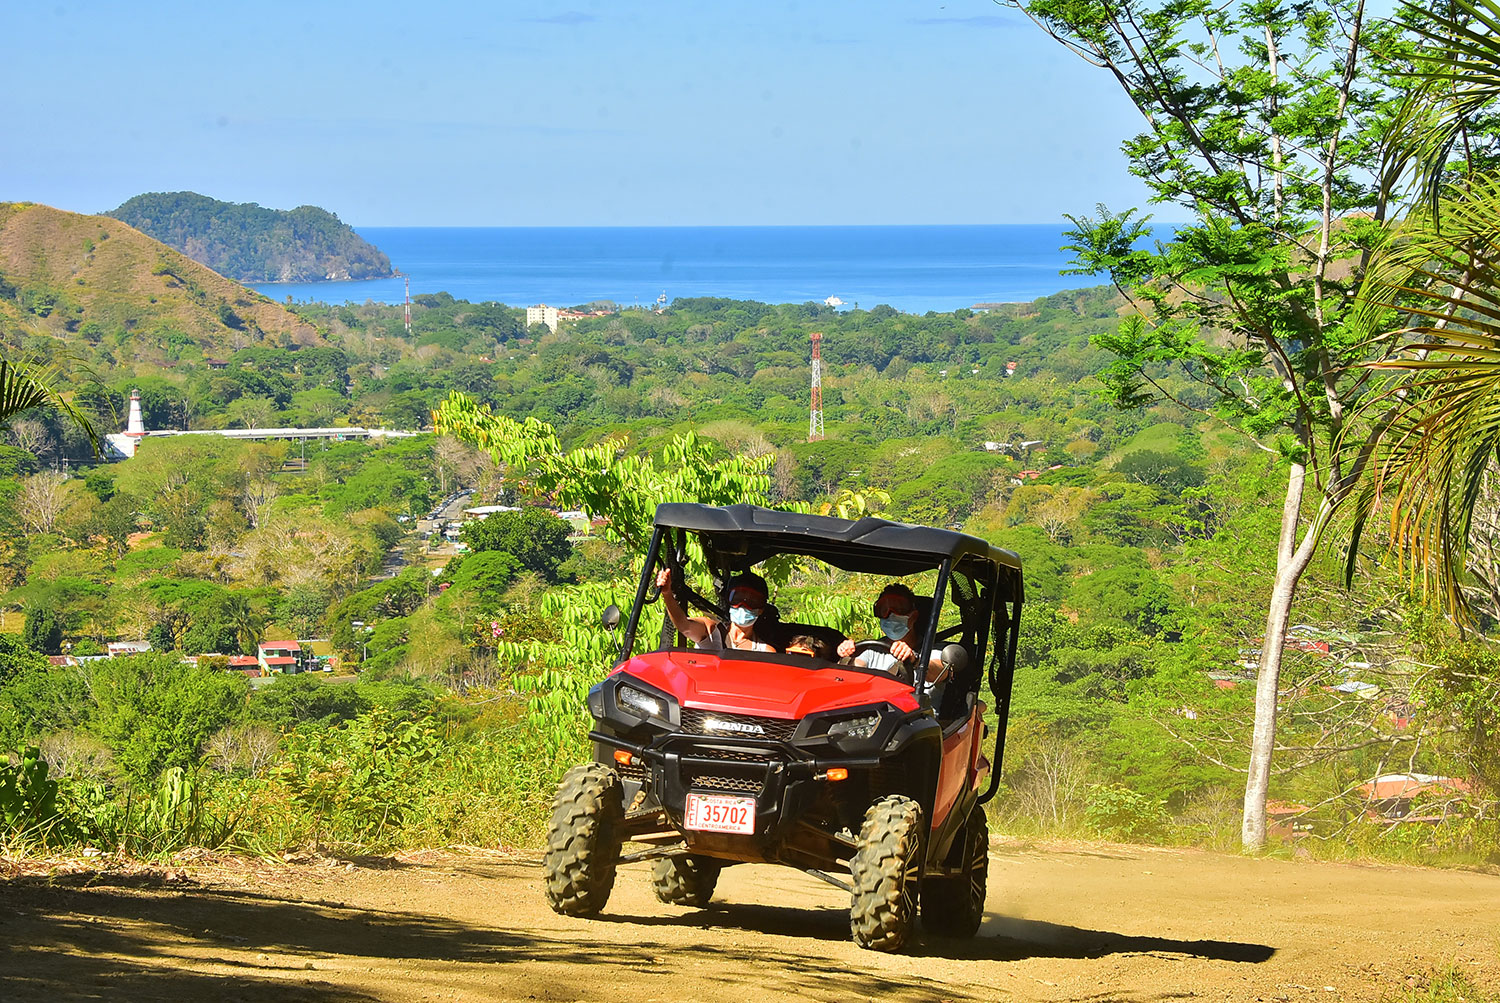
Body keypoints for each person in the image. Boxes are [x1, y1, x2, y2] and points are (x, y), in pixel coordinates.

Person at [836, 583, 948, 681]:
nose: (890, 615)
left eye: (898, 610)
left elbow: (939, 671)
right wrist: (847, 657)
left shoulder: (935, 650)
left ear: (913, 617)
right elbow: (851, 671)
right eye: (883, 610)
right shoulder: (873, 650)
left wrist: (915, 660)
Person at [656, 566, 777, 653]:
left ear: (761, 609)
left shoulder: (765, 651)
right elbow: (684, 626)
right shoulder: (711, 631)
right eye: (737, 598)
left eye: (752, 601)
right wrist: (667, 594)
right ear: (728, 601)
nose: (742, 605)